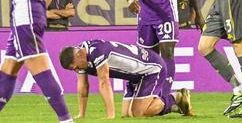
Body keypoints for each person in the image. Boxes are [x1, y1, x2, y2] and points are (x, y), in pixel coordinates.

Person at [59, 39, 193, 118]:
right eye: (73, 69)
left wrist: (110, 115)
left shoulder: (97, 51)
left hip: (151, 69)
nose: (76, 70)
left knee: (137, 113)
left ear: (80, 54)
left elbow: (104, 82)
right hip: (134, 76)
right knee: (127, 115)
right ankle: (174, 106)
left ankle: (176, 97)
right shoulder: (81, 58)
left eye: (75, 67)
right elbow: (83, 87)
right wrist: (81, 114)